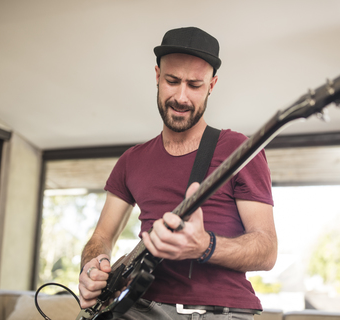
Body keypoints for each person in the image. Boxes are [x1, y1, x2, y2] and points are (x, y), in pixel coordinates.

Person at [78, 26, 277, 320]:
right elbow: (101, 237)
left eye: (195, 85)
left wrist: (205, 246)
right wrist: (92, 266)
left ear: (212, 85)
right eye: (172, 81)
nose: (181, 97)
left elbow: (267, 250)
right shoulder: (131, 160)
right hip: (138, 308)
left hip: (219, 312)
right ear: (157, 76)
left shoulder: (239, 150)